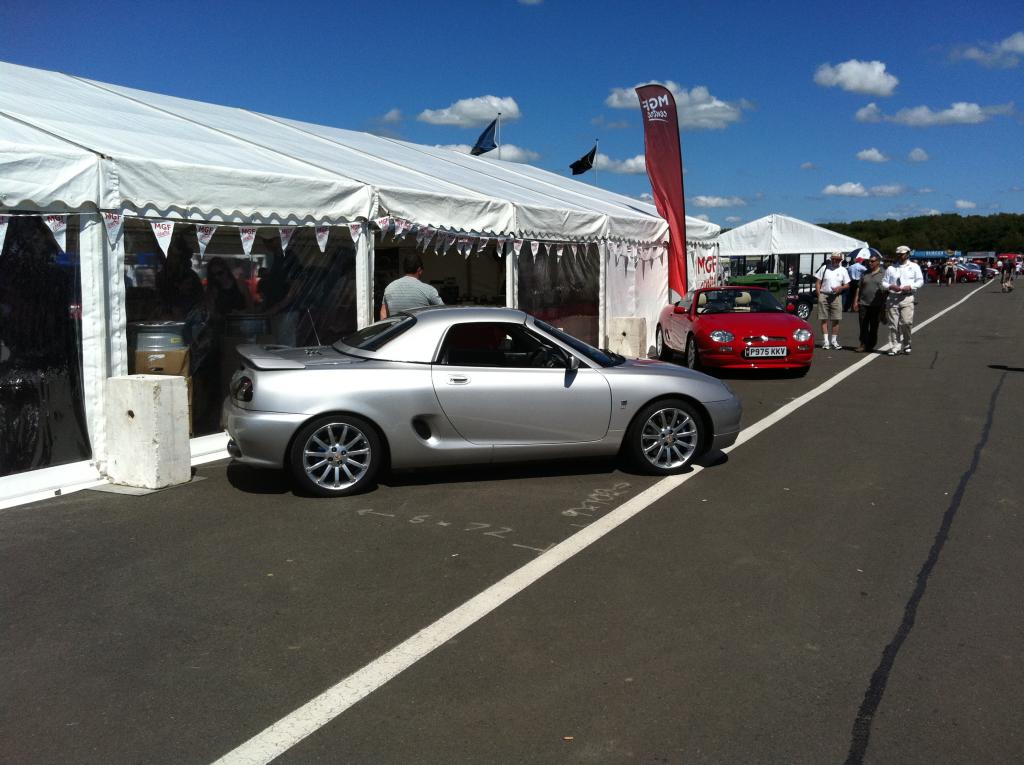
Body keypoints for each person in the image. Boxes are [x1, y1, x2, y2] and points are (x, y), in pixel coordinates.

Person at [882, 245, 924, 356]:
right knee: (893, 324)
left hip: (907, 297)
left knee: (906, 322)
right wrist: (891, 286)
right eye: (898, 254)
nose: (900, 256)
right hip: (893, 298)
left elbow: (920, 281)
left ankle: (907, 343)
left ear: (908, 254)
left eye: (902, 254)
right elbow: (884, 282)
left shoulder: (914, 266)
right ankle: (894, 347)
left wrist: (910, 286)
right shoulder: (891, 268)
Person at [380, 252, 444, 319]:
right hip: (420, 329)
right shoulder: (429, 290)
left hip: (397, 329)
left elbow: (383, 314)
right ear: (419, 270)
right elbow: (444, 312)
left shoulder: (389, 288)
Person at [815, 252, 850, 350]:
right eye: (833, 259)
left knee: (836, 319)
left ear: (840, 260)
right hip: (824, 295)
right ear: (831, 259)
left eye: (837, 259)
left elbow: (847, 284)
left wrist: (841, 288)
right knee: (823, 318)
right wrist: (819, 295)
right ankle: (826, 341)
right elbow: (818, 282)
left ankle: (834, 341)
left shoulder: (843, 270)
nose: (835, 261)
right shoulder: (825, 268)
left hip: (836, 296)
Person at [852, 253, 885, 352]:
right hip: (863, 304)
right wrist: (855, 301)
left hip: (877, 304)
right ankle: (862, 344)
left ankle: (871, 344)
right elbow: (859, 288)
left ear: (878, 262)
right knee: (863, 325)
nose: (870, 263)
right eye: (869, 261)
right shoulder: (865, 273)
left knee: (874, 326)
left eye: (872, 261)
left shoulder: (884, 273)